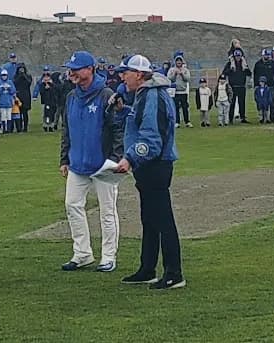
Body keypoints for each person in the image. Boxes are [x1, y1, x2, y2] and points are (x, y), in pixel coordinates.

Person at [115, 54, 184, 290]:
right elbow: (145, 124)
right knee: (150, 219)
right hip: (151, 165)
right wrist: (124, 111)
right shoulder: (145, 94)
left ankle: (174, 273)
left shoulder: (151, 96)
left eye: (126, 72)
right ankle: (148, 269)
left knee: (162, 220)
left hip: (155, 165)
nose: (122, 77)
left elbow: (152, 139)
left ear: (139, 74)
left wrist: (129, 159)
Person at [59, 51, 123, 273]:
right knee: (72, 205)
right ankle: (82, 253)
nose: (72, 73)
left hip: (103, 163)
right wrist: (64, 158)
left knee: (107, 211)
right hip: (77, 163)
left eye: (76, 69)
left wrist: (115, 159)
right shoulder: (71, 97)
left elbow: (117, 128)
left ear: (90, 69)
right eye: (71, 69)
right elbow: (67, 130)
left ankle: (108, 256)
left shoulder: (107, 95)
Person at [222, 49, 251, 124]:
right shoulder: (230, 64)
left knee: (242, 103)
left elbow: (249, 73)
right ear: (234, 57)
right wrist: (231, 70)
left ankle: (242, 117)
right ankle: (230, 118)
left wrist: (246, 69)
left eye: (239, 56)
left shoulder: (244, 64)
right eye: (236, 56)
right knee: (232, 103)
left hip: (241, 85)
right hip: (233, 86)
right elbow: (224, 73)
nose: (238, 58)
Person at [253, 49, 274, 123]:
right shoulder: (258, 64)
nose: (266, 56)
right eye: (265, 55)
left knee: (271, 102)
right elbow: (255, 75)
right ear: (262, 55)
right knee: (261, 103)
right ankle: (263, 118)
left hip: (271, 86)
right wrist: (256, 85)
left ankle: (272, 118)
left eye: (268, 55)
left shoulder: (273, 63)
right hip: (260, 87)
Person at [167, 54, 192, 128]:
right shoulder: (172, 70)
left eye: (180, 61)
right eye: (177, 61)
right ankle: (177, 122)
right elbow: (169, 78)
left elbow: (187, 79)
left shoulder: (185, 70)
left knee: (185, 107)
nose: (178, 62)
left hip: (183, 91)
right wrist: (174, 74)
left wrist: (182, 74)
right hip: (175, 92)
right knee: (176, 107)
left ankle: (187, 121)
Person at [13, 64, 32, 132]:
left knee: (25, 112)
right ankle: (19, 127)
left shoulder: (28, 76)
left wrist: (23, 75)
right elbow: (15, 83)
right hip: (18, 95)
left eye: (22, 69)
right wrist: (19, 76)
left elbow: (29, 83)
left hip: (26, 95)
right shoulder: (15, 76)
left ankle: (25, 127)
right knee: (18, 112)